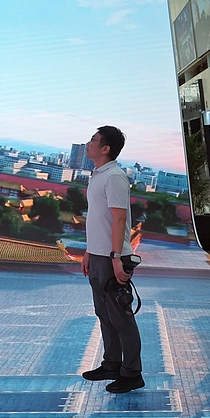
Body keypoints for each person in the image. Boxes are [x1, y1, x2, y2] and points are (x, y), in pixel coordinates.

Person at [81, 125, 143, 393]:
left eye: (93, 140)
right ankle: (111, 364)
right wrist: (88, 250)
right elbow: (99, 219)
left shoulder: (115, 177)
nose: (88, 143)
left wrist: (117, 258)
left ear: (105, 148)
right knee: (104, 313)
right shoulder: (97, 175)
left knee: (122, 317)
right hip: (97, 255)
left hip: (112, 257)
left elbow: (119, 220)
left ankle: (132, 373)